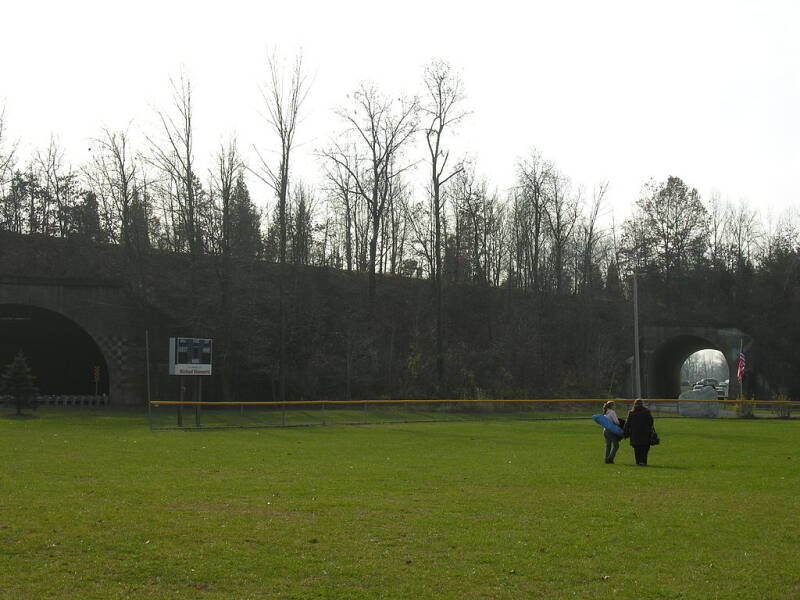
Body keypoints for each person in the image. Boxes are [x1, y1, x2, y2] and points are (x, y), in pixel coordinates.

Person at [623, 398, 655, 466]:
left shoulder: (631, 413)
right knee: (645, 448)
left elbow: (627, 423)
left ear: (635, 404)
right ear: (642, 404)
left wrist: (625, 432)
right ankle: (643, 462)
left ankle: (638, 462)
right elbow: (651, 421)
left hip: (635, 434)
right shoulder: (646, 412)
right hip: (645, 433)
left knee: (637, 449)